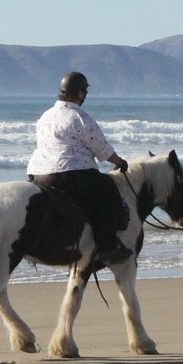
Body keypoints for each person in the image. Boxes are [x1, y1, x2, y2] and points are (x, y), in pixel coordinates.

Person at [26, 71, 132, 265]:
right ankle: (107, 248)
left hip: (38, 173)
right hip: (70, 172)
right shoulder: (79, 117)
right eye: (84, 92)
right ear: (80, 93)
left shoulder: (45, 116)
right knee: (108, 192)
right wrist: (119, 163)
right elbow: (102, 148)